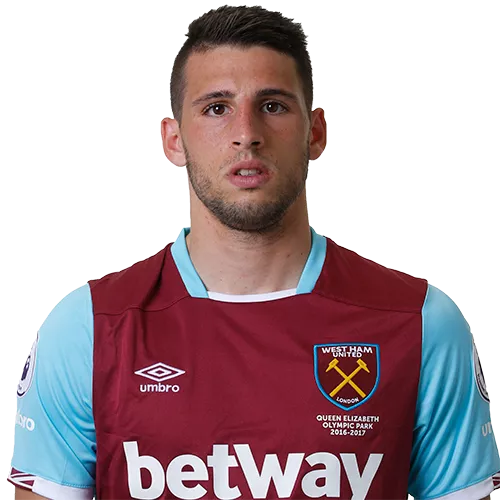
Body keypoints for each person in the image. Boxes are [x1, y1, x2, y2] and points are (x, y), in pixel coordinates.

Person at [8, 4, 500, 499]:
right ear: (174, 140)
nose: (247, 134)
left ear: (316, 133)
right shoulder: (89, 328)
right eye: (216, 108)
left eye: (273, 105)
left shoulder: (419, 322)